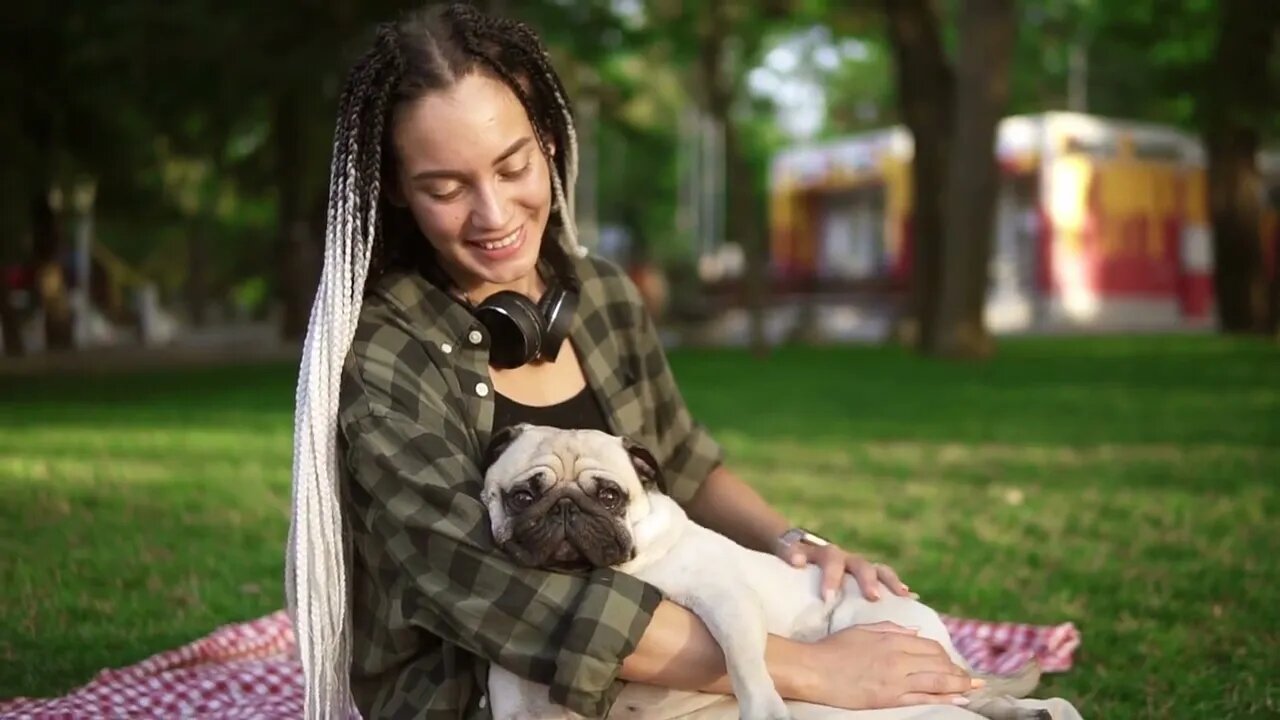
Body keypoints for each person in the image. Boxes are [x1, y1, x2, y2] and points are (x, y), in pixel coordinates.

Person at [285, 5, 1082, 720]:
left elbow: (685, 461)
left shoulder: (599, 294)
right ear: (393, 189)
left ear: (551, 141)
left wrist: (798, 545)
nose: (493, 214)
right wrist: (806, 670)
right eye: (445, 187)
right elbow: (489, 591)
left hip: (677, 647)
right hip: (483, 686)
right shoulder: (385, 356)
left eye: (512, 165)